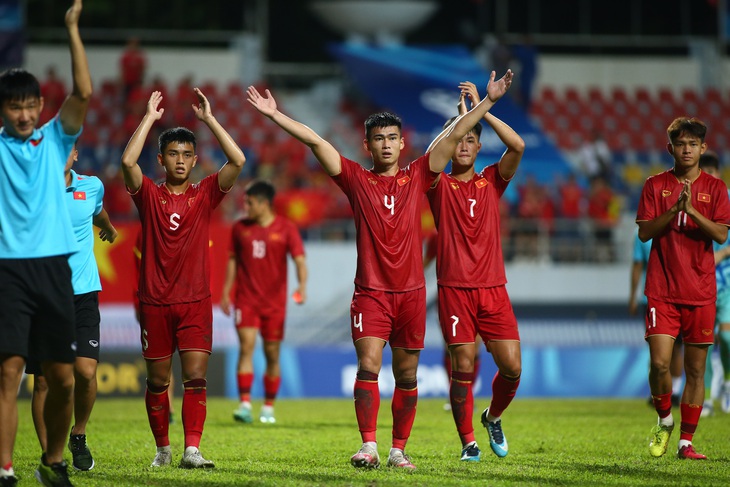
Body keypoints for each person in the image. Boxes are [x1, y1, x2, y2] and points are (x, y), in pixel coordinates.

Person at [246, 68, 514, 470]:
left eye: (392, 138)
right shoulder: (355, 179)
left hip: (410, 296)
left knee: (407, 377)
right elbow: (316, 141)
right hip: (370, 292)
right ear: (367, 145)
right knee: (368, 365)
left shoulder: (421, 174)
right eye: (379, 139)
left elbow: (456, 136)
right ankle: (368, 446)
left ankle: (398, 450)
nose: (386, 145)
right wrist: (274, 115)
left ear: (402, 143)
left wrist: (488, 102)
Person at [120, 89, 245, 469]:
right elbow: (127, 160)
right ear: (161, 159)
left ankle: (192, 449)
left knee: (195, 378)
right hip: (155, 302)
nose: (180, 160)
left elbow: (237, 159)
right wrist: (148, 118)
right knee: (158, 382)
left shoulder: (206, 193)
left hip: (194, 303)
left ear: (195, 160)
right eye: (172, 153)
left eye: (186, 154)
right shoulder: (148, 195)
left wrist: (209, 120)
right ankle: (163, 449)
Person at [0, 2, 90, 486]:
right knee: (9, 374)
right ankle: (5, 469)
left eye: (30, 105)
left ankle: (52, 461)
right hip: (8, 269)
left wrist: (72, 29)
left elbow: (83, 91)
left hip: (55, 269)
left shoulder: (56, 138)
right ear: (3, 110)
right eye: (14, 106)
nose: (24, 114)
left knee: (62, 378)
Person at [425, 81, 524, 462]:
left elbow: (518, 147)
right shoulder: (437, 184)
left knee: (512, 368)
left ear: (479, 146)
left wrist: (487, 108)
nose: (463, 145)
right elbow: (435, 151)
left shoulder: (491, 182)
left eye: (471, 139)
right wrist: (465, 116)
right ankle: (468, 442)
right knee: (462, 365)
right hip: (454, 290)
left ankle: (492, 417)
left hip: (493, 290)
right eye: (459, 138)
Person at [637, 117, 730, 460]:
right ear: (670, 148)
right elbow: (645, 233)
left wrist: (691, 210)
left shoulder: (716, 190)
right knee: (660, 364)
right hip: (661, 289)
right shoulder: (654, 185)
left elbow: (721, 234)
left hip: (701, 291)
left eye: (693, 144)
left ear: (703, 148)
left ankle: (686, 443)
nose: (687, 149)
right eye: (681, 144)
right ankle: (664, 420)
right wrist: (674, 209)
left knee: (695, 370)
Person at [28, 143, 118, 472]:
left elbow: (96, 211)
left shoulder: (91, 186)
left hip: (83, 293)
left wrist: (106, 227)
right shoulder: (33, 189)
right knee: (43, 382)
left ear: (76, 155)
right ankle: (51, 456)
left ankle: (78, 435)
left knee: (85, 371)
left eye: (67, 149)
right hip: (45, 296)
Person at [220, 179, 308, 425]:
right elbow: (233, 261)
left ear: (263, 203)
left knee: (272, 354)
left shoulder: (286, 228)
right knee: (246, 347)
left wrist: (301, 286)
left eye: (249, 202)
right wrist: (226, 291)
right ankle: (245, 403)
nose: (245, 206)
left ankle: (268, 406)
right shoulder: (240, 228)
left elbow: (300, 261)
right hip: (246, 300)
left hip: (274, 303)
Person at [628, 230, 683, 408]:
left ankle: (674, 391)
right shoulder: (643, 234)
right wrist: (632, 296)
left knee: (676, 347)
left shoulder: (678, 228)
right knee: (656, 348)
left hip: (678, 296)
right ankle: (658, 392)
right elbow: (637, 265)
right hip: (651, 297)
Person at [698, 151, 730, 416]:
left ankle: (728, 384)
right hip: (701, 283)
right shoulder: (693, 201)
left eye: (712, 173)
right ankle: (707, 397)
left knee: (727, 338)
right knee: (704, 341)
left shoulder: (728, 199)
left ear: (718, 174)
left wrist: (722, 253)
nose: (708, 178)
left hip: (727, 282)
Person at [132, 228, 176, 423]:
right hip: (154, 302)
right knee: (163, 362)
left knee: (187, 363)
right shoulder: (146, 231)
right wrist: (138, 301)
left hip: (189, 301)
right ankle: (169, 408)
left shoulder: (194, 220)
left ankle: (170, 409)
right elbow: (138, 270)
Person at [119, 36, 146, 102]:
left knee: (137, 99)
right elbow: (123, 70)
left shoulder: (139, 57)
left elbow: (142, 70)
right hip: (127, 83)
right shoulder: (126, 56)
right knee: (126, 100)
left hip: (137, 83)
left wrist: (140, 81)